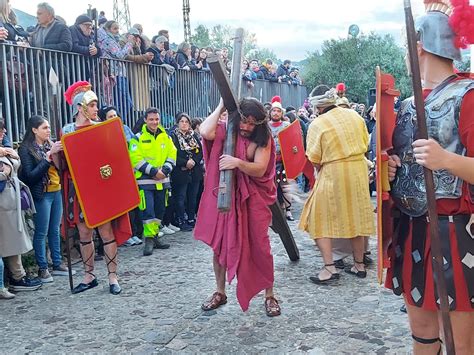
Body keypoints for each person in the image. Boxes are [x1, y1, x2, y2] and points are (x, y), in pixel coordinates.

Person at [386, 1, 474, 353]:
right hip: (414, 231)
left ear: (419, 44)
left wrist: (446, 160)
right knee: (422, 335)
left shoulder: (468, 97)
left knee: (462, 345)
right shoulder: (408, 104)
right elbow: (407, 167)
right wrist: (393, 168)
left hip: (457, 234)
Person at [194, 98, 281, 317]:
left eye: (252, 123)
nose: (246, 127)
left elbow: (260, 169)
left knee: (261, 247)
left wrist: (238, 163)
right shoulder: (227, 129)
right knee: (220, 245)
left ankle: (269, 295)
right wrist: (221, 104)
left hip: (253, 200)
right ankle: (220, 292)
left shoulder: (263, 138)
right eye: (244, 120)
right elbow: (205, 131)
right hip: (226, 197)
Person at [298, 86, 375, 285]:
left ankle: (329, 268)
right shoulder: (355, 116)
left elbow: (314, 157)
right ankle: (359, 265)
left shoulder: (318, 124)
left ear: (317, 106)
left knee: (316, 217)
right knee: (356, 218)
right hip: (358, 171)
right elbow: (366, 143)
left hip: (334, 172)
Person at [61, 81, 124, 295]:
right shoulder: (67, 131)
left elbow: (115, 157)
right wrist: (54, 151)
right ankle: (89, 276)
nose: (97, 109)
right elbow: (63, 165)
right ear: (80, 107)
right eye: (93, 105)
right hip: (78, 189)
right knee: (84, 231)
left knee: (106, 231)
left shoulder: (102, 128)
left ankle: (113, 276)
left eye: (97, 104)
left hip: (100, 187)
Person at [18, 115, 75, 283]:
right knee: (41, 231)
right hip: (41, 193)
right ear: (34, 130)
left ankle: (57, 263)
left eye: (49, 127)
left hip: (56, 190)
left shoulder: (50, 145)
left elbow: (61, 168)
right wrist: (48, 158)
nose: (48, 131)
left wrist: (59, 154)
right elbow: (30, 176)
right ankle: (43, 268)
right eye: (44, 128)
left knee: (55, 230)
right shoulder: (26, 149)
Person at [0, 120, 42, 293]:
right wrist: (5, 173)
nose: (3, 132)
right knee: (9, 241)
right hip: (4, 203)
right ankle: (17, 277)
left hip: (11, 200)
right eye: (0, 130)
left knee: (14, 239)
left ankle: (19, 276)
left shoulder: (5, 147)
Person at [129, 107, 177, 256]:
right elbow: (135, 159)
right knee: (148, 210)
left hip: (163, 180)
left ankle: (155, 236)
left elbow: (172, 153)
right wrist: (155, 172)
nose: (154, 122)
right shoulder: (137, 138)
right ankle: (149, 239)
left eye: (156, 119)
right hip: (146, 181)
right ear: (145, 120)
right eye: (151, 119)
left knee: (160, 210)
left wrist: (165, 171)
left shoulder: (166, 137)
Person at [169, 113, 203, 231]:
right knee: (181, 197)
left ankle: (191, 218)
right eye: (182, 121)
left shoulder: (194, 136)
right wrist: (185, 162)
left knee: (193, 196)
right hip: (181, 171)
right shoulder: (173, 137)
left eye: (186, 122)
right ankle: (181, 219)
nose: (184, 124)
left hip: (195, 171)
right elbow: (173, 154)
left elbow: (200, 152)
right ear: (178, 123)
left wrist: (194, 160)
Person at [268, 96, 293, 220]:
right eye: (274, 111)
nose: (276, 113)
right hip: (270, 161)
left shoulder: (287, 125)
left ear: (281, 113)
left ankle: (288, 211)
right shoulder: (266, 126)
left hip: (284, 161)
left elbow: (293, 142)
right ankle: (275, 212)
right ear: (270, 112)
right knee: (271, 186)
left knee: (285, 187)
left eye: (278, 111)